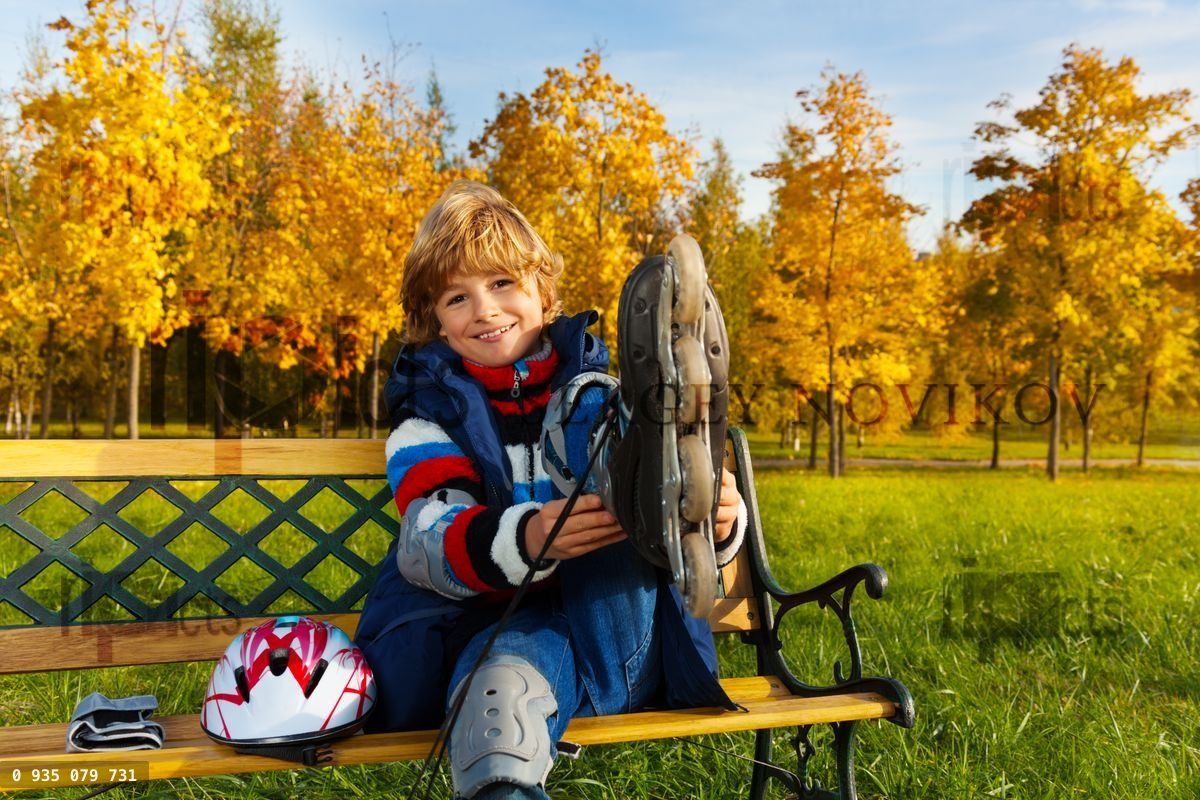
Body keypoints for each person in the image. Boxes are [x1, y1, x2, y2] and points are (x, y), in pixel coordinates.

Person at [354, 180, 748, 800]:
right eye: (458, 297)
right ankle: (657, 435)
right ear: (433, 321)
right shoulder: (425, 423)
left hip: (620, 627)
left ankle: (671, 474)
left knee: (599, 423)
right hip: (492, 643)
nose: (484, 309)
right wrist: (530, 535)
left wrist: (719, 521)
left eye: (503, 284)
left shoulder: (595, 394)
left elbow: (693, 568)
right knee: (498, 704)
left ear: (543, 290)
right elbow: (427, 540)